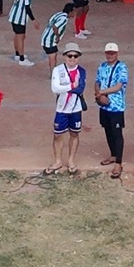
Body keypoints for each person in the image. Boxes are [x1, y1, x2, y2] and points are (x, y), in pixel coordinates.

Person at [48, 43, 87, 175]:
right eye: (70, 55)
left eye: (75, 56)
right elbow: (55, 88)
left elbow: (80, 89)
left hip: (76, 108)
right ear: (64, 56)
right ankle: (58, 161)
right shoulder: (57, 70)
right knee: (57, 134)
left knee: (74, 134)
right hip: (61, 108)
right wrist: (71, 86)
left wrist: (64, 87)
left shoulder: (82, 71)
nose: (72, 58)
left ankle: (71, 160)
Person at [95, 43, 130, 175]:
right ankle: (113, 155)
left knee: (117, 134)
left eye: (112, 53)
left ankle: (118, 163)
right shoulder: (102, 66)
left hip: (116, 106)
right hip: (104, 105)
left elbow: (118, 86)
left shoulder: (122, 67)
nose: (110, 55)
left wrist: (100, 93)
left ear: (117, 53)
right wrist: (99, 94)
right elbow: (97, 82)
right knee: (108, 130)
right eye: (108, 53)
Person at [41, 2, 74, 68]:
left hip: (45, 37)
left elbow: (50, 21)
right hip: (50, 41)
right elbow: (55, 27)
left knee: (53, 59)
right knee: (53, 60)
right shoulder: (64, 19)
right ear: (70, 11)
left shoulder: (58, 14)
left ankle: (53, 72)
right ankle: (53, 73)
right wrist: (57, 36)